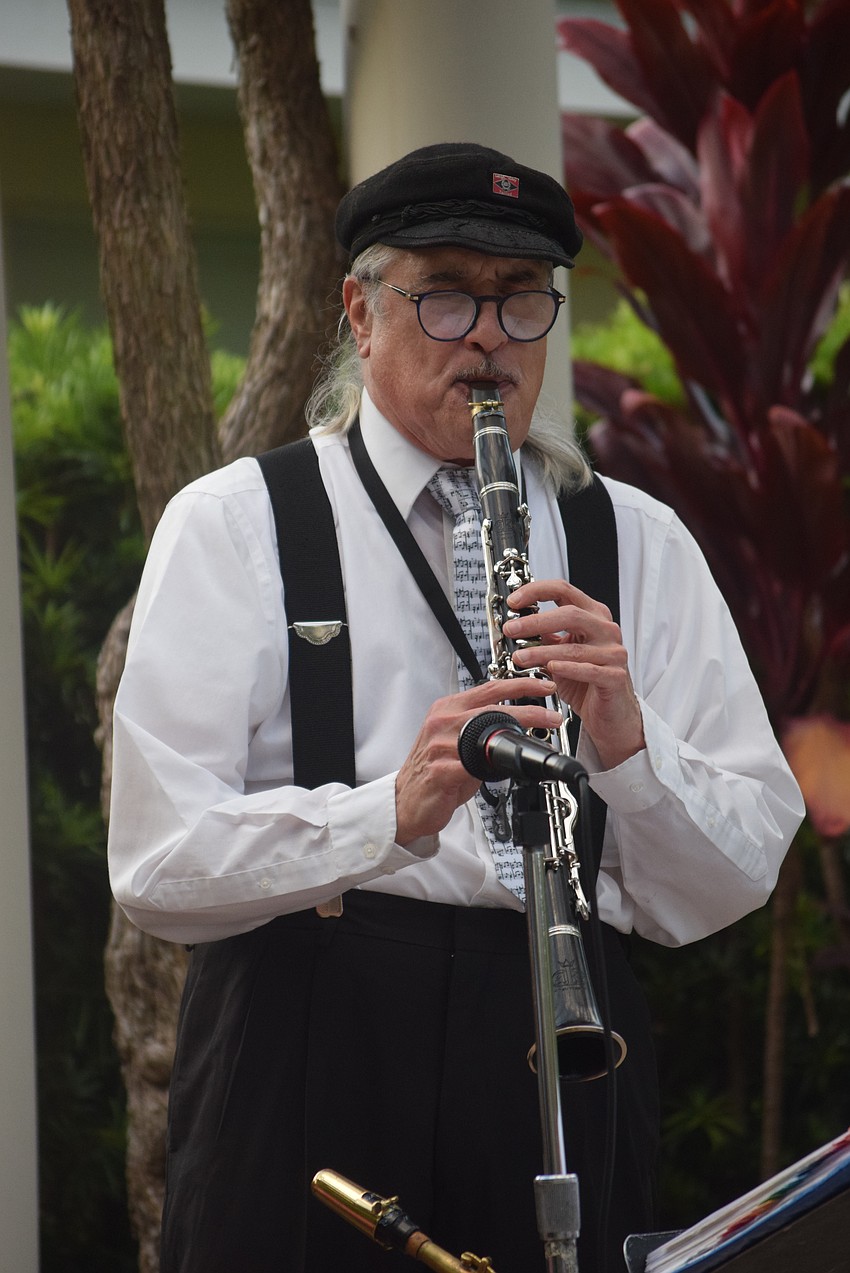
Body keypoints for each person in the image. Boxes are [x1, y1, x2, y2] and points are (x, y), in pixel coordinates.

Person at [108, 141, 804, 1273]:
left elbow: (730, 880)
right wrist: (384, 811)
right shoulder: (234, 523)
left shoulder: (638, 539)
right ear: (358, 312)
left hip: (559, 1041)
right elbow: (155, 865)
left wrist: (627, 747)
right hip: (309, 1036)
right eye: (442, 294)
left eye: (520, 298)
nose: (486, 334)